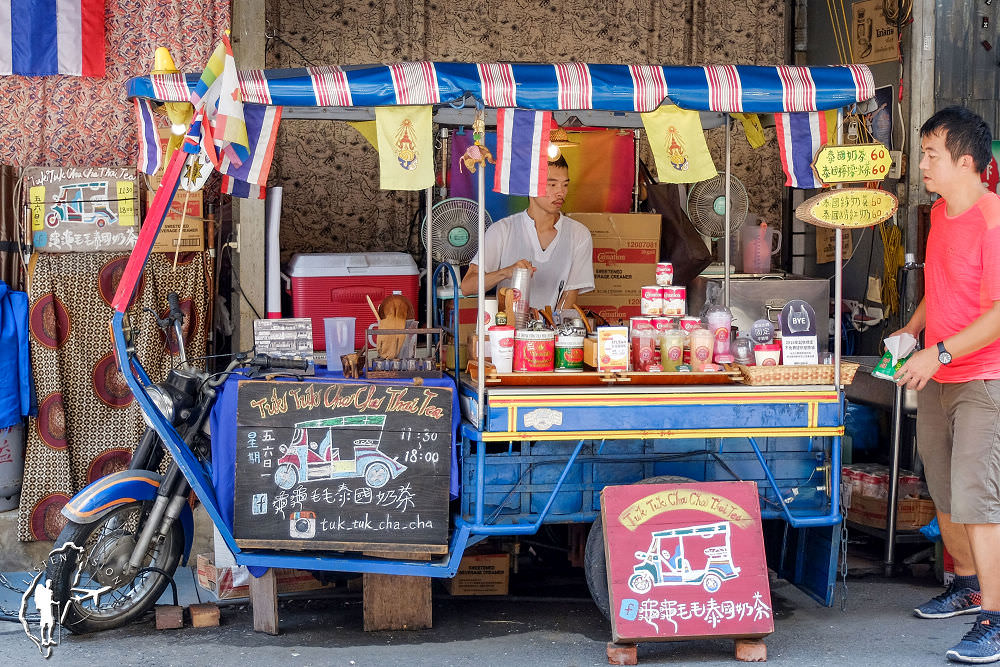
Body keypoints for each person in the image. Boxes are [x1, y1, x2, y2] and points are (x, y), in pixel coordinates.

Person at [893, 106, 1000, 664]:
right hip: (938, 371)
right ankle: (966, 585)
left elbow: (999, 314)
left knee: (981, 502)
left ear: (966, 161)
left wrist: (941, 351)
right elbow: (942, 287)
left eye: (932, 153)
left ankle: (996, 620)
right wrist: (914, 330)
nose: (924, 163)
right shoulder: (939, 213)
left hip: (983, 379)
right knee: (945, 489)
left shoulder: (993, 220)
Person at [460, 154, 594, 310]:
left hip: (554, 330)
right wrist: (506, 272)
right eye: (552, 185)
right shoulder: (502, 230)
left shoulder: (579, 235)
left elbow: (569, 295)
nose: (560, 192)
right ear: (529, 186)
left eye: (565, 185)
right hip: (508, 330)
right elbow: (467, 287)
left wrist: (550, 328)